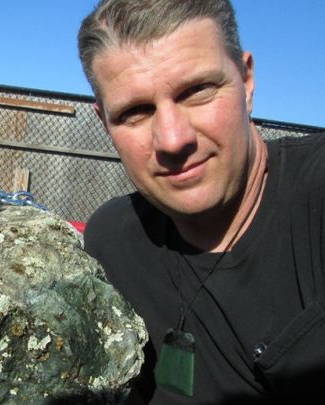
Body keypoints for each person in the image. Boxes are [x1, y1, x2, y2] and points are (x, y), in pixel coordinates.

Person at [78, 0, 325, 403]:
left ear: (246, 82)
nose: (173, 139)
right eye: (136, 112)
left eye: (197, 91)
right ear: (104, 123)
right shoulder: (113, 243)